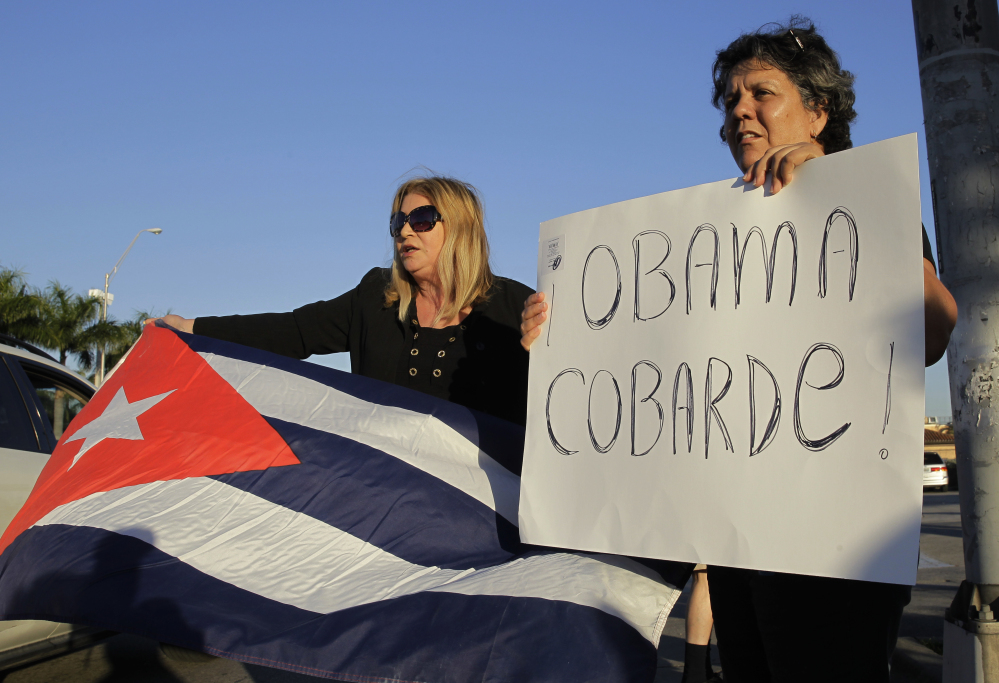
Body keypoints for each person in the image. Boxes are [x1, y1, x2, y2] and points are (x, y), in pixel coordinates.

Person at [520, 18, 958, 683]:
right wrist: (561, 335)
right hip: (739, 545)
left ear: (819, 110)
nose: (739, 111)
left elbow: (932, 328)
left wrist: (834, 185)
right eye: (729, 99)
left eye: (762, 92)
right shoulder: (712, 238)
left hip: (835, 552)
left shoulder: (864, 200)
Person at [151, 175, 534, 428]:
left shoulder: (517, 307)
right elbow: (293, 332)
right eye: (396, 221)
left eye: (421, 219)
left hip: (486, 510)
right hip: (385, 498)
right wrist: (192, 330)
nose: (403, 230)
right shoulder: (374, 298)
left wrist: (546, 350)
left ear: (461, 228)